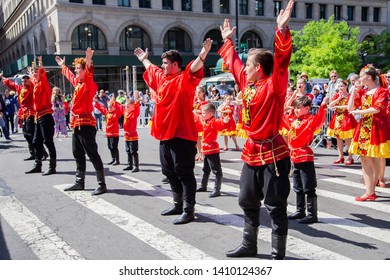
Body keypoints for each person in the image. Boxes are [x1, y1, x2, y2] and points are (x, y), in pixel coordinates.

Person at [219, 0, 294, 259]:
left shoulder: (275, 86)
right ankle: (249, 245)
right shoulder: (248, 84)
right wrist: (227, 41)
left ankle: (277, 252)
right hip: (251, 152)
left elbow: (282, 62)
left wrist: (281, 31)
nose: (245, 68)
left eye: (249, 65)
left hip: (273, 153)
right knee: (247, 201)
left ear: (259, 68)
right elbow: (234, 64)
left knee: (275, 205)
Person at [134, 38, 212, 224]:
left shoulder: (184, 79)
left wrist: (204, 52)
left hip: (182, 135)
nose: (162, 66)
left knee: (184, 171)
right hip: (165, 135)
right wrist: (144, 59)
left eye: (165, 63)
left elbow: (195, 66)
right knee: (168, 171)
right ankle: (177, 204)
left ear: (175, 64)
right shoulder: (163, 78)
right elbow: (151, 69)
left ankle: (188, 209)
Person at [55, 48, 107, 196]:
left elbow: (89, 71)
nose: (76, 71)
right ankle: (79, 182)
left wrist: (88, 58)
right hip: (76, 124)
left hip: (86, 124)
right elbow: (70, 76)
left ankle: (101, 184)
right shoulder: (78, 83)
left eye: (79, 69)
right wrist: (62, 66)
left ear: (85, 70)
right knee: (77, 153)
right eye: (76, 68)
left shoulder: (89, 84)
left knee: (92, 154)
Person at [347, 64, 390, 201]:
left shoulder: (382, 91)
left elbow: (378, 109)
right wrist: (354, 91)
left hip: (376, 127)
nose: (359, 79)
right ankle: (369, 191)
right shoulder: (363, 93)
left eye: (361, 76)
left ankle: (372, 188)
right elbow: (350, 107)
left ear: (370, 77)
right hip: (365, 127)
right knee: (365, 158)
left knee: (375, 157)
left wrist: (359, 112)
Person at [285, 96, 328, 224]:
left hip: (304, 155)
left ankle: (312, 214)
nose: (296, 110)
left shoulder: (310, 120)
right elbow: (283, 119)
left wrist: (323, 106)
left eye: (299, 108)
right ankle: (300, 210)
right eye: (295, 108)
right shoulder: (294, 119)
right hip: (295, 155)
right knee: (297, 186)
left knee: (309, 187)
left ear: (307, 108)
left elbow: (320, 119)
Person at [26, 56, 57, 176]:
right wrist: (31, 73)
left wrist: (41, 65)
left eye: (36, 72)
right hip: (38, 116)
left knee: (48, 141)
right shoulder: (35, 84)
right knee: (35, 141)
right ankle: (37, 165)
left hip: (46, 116)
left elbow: (42, 75)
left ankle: (52, 166)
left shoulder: (43, 83)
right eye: (33, 72)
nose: (34, 74)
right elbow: (32, 82)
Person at [196, 103, 229, 197]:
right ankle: (203, 185)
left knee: (217, 171)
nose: (202, 114)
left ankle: (217, 189)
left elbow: (221, 124)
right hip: (205, 149)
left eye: (203, 113)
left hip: (212, 149)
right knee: (206, 169)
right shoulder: (204, 121)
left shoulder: (214, 121)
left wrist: (225, 121)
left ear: (210, 114)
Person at [1, 73, 35, 158]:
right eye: (22, 81)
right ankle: (32, 153)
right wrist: (2, 77)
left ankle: (40, 152)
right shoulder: (20, 88)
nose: (23, 83)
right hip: (23, 113)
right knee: (26, 134)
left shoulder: (31, 88)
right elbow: (12, 84)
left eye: (25, 81)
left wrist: (32, 74)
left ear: (29, 81)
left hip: (31, 113)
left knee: (31, 134)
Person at [327, 80, 357, 165]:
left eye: (342, 86)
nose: (340, 88)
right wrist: (339, 98)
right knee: (338, 138)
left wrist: (337, 106)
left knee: (347, 138)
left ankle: (350, 157)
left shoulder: (349, 96)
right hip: (337, 118)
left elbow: (348, 107)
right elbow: (330, 104)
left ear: (346, 86)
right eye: (339, 86)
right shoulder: (337, 95)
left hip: (346, 118)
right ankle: (340, 156)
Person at [94, 97, 123, 166]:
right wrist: (96, 102)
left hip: (114, 133)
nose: (109, 108)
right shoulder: (107, 112)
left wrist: (114, 101)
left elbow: (120, 108)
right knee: (109, 146)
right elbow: (101, 108)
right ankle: (113, 159)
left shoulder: (116, 113)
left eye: (110, 107)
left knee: (114, 146)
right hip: (108, 132)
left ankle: (117, 160)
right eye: (108, 107)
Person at [122, 91, 141, 172]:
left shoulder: (134, 112)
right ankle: (129, 165)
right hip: (127, 135)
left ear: (133, 107)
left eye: (128, 107)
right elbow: (120, 107)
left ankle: (136, 166)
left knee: (134, 151)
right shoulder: (126, 112)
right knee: (128, 151)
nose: (126, 108)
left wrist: (136, 100)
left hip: (133, 135)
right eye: (126, 107)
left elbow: (137, 107)